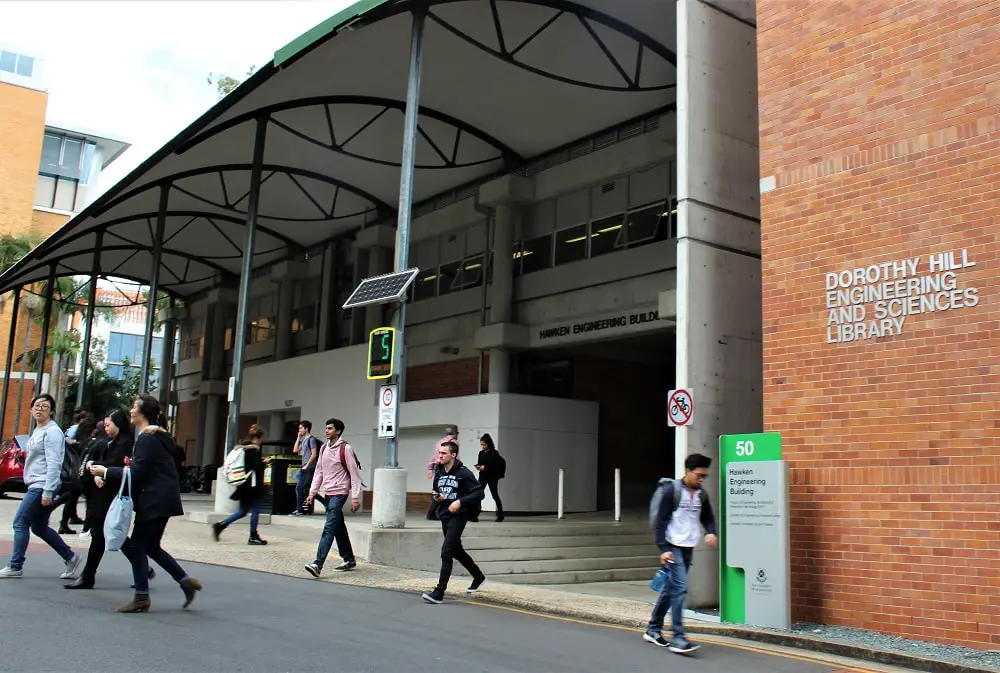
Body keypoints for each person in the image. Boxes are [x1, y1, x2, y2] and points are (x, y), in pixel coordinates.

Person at [88, 395, 202, 613]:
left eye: (133, 407)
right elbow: (148, 468)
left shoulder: (148, 438)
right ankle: (185, 582)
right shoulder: (157, 436)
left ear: (142, 412)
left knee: (137, 546)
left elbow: (138, 473)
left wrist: (106, 471)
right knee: (151, 546)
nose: (130, 411)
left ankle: (141, 596)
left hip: (154, 499)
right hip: (162, 499)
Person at [0, 394, 84, 579]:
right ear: (31, 409)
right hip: (36, 483)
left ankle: (15, 566)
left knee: (20, 522)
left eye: (44, 406)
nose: (39, 409)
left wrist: (48, 490)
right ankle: (70, 557)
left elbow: (54, 463)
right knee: (38, 526)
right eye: (36, 405)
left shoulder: (52, 432)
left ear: (51, 411)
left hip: (42, 485)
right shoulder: (38, 430)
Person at [643, 453, 718, 654]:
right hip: (672, 546)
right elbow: (660, 522)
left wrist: (711, 532)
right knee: (680, 589)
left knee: (671, 589)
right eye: (699, 475)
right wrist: (663, 549)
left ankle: (653, 629)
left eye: (705, 476)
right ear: (688, 471)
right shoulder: (671, 491)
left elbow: (708, 517)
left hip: (688, 546)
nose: (702, 479)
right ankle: (678, 637)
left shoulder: (702, 494)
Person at [65, 410, 137, 590]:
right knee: (109, 533)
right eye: (104, 425)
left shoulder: (125, 442)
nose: (105, 428)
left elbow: (115, 464)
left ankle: (88, 576)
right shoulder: (110, 441)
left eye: (108, 425)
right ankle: (142, 567)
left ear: (118, 424)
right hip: (102, 493)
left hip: (110, 495)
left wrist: (94, 467)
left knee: (103, 533)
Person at [421, 441, 486, 604]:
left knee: (447, 551)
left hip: (459, 515)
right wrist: (437, 498)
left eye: (443, 453)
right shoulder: (439, 471)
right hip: (444, 514)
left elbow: (479, 493)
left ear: (453, 455)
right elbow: (436, 490)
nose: (440, 456)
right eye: (439, 453)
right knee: (456, 550)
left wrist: (460, 502)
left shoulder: (464, 473)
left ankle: (439, 592)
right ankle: (478, 576)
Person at [303, 418, 361, 577]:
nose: (326, 431)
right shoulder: (323, 449)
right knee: (337, 526)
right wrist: (312, 492)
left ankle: (317, 564)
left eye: (330, 428)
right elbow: (319, 471)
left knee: (329, 527)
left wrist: (355, 497)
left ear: (338, 431)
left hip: (340, 492)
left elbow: (355, 474)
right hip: (328, 492)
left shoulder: (346, 448)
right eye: (326, 428)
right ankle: (349, 559)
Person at [212, 423, 270, 545]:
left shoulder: (242, 447)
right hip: (252, 485)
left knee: (242, 511)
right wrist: (264, 462)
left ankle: (221, 525)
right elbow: (255, 466)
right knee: (255, 509)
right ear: (257, 438)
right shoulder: (253, 449)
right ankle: (253, 535)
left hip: (243, 484)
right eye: (260, 439)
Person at [57, 415, 96, 535]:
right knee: (88, 499)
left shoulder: (73, 440)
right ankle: (86, 526)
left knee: (71, 499)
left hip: (72, 474)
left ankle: (64, 524)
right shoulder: (87, 442)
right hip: (81, 474)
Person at [426, 424, 459, 520]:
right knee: (448, 488)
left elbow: (434, 457)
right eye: (457, 433)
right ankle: (437, 512)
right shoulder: (453, 443)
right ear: (455, 433)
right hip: (447, 466)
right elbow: (454, 456)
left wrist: (430, 468)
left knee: (437, 488)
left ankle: (431, 513)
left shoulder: (439, 442)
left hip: (437, 467)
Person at [474, 433, 505, 522]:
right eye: (481, 444)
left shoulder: (494, 453)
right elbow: (480, 463)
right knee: (478, 494)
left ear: (489, 444)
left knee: (494, 494)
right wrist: (479, 467)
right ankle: (475, 514)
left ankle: (500, 514)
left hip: (492, 477)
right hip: (483, 476)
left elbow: (496, 465)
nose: (482, 446)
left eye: (484, 444)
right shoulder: (481, 453)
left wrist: (486, 467)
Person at [291, 420, 319, 516]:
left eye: (301, 428)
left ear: (306, 429)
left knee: (299, 488)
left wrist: (306, 466)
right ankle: (326, 503)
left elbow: (314, 454)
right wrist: (298, 438)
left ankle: (299, 510)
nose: (299, 430)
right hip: (304, 467)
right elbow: (295, 450)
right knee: (307, 489)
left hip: (309, 467)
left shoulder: (311, 439)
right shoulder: (303, 440)